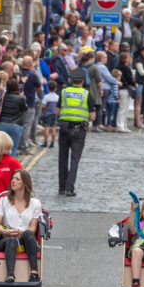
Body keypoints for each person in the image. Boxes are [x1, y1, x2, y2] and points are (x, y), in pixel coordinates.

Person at [0, 170, 42, 283]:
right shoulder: (3, 201)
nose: (13, 181)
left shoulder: (35, 203)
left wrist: (22, 233)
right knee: (11, 241)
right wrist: (7, 232)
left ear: (25, 184)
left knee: (29, 233)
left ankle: (34, 273)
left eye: (17, 179)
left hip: (25, 238)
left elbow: (33, 228)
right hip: (6, 238)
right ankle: (10, 275)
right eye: (12, 178)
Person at [57, 67, 95, 197]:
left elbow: (57, 111)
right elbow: (92, 116)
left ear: (71, 80)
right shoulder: (86, 94)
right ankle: (69, 188)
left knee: (62, 159)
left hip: (64, 129)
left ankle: (61, 187)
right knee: (74, 160)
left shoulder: (63, 92)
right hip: (79, 130)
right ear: (83, 81)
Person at [0, 78, 27, 157]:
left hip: (2, 124)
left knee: (1, 149)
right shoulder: (20, 98)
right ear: (17, 87)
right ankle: (10, 168)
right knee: (13, 149)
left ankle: (0, 167)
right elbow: (24, 109)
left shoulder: (4, 96)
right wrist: (22, 97)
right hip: (16, 125)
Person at [40, 81, 59, 147]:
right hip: (54, 114)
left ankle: (45, 142)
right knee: (53, 128)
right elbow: (58, 106)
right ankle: (52, 143)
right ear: (56, 88)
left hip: (47, 114)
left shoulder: (46, 97)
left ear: (48, 88)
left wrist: (43, 111)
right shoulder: (57, 97)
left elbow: (44, 106)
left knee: (47, 128)